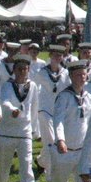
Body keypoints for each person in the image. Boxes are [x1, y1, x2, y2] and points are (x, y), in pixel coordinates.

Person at [38, 59, 91, 182]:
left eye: (83, 74)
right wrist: (60, 140)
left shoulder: (89, 97)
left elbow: (90, 122)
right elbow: (59, 120)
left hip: (82, 152)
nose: (81, 77)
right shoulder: (64, 96)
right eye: (77, 74)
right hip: (65, 151)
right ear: (70, 76)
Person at [0, 53, 39, 182]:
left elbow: (34, 108)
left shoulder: (32, 86)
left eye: (25, 69)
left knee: (26, 166)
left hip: (24, 131)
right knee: (3, 166)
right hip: (7, 132)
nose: (22, 72)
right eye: (19, 69)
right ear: (14, 70)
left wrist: (34, 129)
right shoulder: (7, 85)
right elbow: (4, 101)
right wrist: (12, 110)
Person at [34, 44, 69, 174]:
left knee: (53, 141)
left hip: (59, 111)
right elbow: (32, 87)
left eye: (60, 55)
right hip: (44, 110)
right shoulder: (42, 73)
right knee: (51, 141)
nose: (57, 58)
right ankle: (51, 174)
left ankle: (41, 161)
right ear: (50, 56)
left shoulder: (65, 73)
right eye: (55, 55)